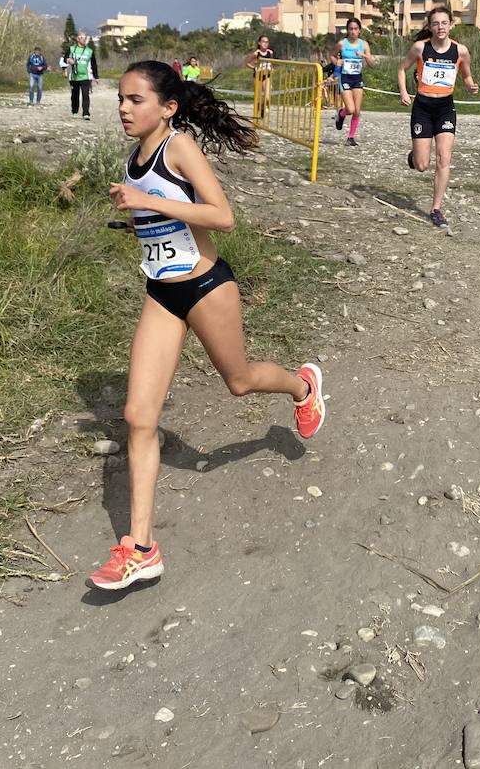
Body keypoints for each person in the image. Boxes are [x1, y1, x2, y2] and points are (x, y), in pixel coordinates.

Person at [90, 60, 327, 590]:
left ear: (167, 107)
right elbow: (165, 216)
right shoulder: (135, 158)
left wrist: (148, 201)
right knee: (137, 415)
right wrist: (138, 221)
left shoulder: (179, 148)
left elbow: (222, 216)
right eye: (121, 101)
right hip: (162, 292)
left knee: (239, 382)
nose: (125, 110)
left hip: (205, 288)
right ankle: (142, 547)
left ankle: (302, 386)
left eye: (135, 100)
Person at [398, 6, 478, 230]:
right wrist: (404, 92)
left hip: (445, 108)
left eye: (444, 23)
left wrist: (470, 86)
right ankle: (415, 156)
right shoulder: (420, 48)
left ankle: (436, 209)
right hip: (423, 108)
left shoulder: (460, 51)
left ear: (451, 24)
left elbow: (467, 75)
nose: (440, 27)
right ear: (429, 26)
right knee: (422, 165)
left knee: (444, 157)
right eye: (435, 23)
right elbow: (402, 69)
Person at [333, 17, 376, 147]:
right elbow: (332, 56)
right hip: (345, 78)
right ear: (348, 30)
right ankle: (341, 114)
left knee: (357, 110)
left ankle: (350, 137)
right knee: (350, 109)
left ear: (359, 31)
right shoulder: (342, 43)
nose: (353, 31)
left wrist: (363, 55)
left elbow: (372, 64)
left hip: (357, 78)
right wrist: (337, 62)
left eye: (355, 29)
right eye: (350, 29)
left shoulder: (364, 44)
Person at [67, 31, 98, 120]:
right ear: (77, 39)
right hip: (74, 76)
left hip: (85, 76)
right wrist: (69, 60)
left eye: (85, 38)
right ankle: (75, 111)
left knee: (85, 95)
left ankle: (86, 113)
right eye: (81, 37)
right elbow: (65, 58)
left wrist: (96, 77)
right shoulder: (72, 49)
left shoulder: (89, 51)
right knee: (75, 95)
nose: (83, 39)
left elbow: (94, 64)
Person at [246, 35, 275, 115]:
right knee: (258, 99)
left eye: (267, 42)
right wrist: (254, 68)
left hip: (267, 76)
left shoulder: (270, 52)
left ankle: (263, 107)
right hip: (258, 76)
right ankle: (257, 116)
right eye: (263, 41)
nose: (265, 44)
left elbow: (271, 64)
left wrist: (271, 71)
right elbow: (247, 63)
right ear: (259, 43)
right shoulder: (256, 53)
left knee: (267, 98)